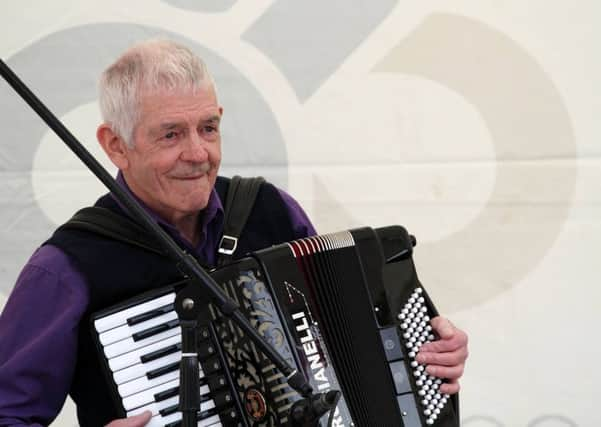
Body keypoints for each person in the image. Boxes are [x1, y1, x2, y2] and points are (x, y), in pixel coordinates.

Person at [0, 40, 468, 426]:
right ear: (115, 146)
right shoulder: (65, 269)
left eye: (209, 127)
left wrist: (426, 352)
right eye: (171, 135)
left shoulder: (269, 212)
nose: (199, 153)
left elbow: (344, 339)